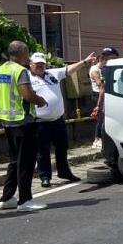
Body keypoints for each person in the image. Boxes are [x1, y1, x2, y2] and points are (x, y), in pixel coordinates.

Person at [0, 41, 48, 211]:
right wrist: (40, 100)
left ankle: (7, 197)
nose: (28, 55)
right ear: (22, 53)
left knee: (14, 160)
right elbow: (27, 95)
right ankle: (25, 200)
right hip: (23, 120)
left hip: (6, 120)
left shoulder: (0, 69)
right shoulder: (20, 70)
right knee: (26, 161)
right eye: (27, 52)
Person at [30, 51, 96, 188]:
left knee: (62, 147)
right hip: (40, 121)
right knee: (43, 151)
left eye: (42, 64)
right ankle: (45, 177)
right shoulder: (27, 78)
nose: (40, 66)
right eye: (37, 64)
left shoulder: (52, 74)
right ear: (30, 64)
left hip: (57, 119)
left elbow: (68, 70)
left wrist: (84, 62)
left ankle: (64, 172)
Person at [89, 47, 118, 149]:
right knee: (101, 118)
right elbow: (101, 87)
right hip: (99, 96)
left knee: (104, 118)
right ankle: (97, 139)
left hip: (104, 95)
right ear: (103, 58)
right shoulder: (95, 70)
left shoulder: (103, 69)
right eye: (110, 58)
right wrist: (98, 105)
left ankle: (102, 139)